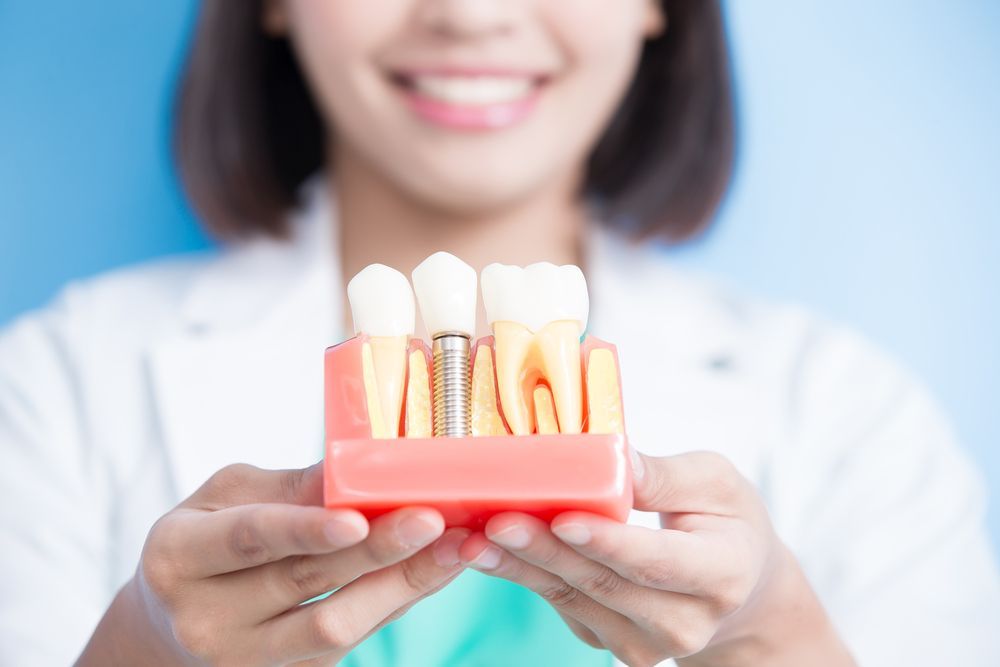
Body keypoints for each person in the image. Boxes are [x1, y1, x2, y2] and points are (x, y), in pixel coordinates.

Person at [1, 1, 998, 665]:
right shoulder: (59, 382)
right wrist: (139, 645)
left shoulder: (849, 410)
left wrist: (778, 635)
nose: (470, 15)